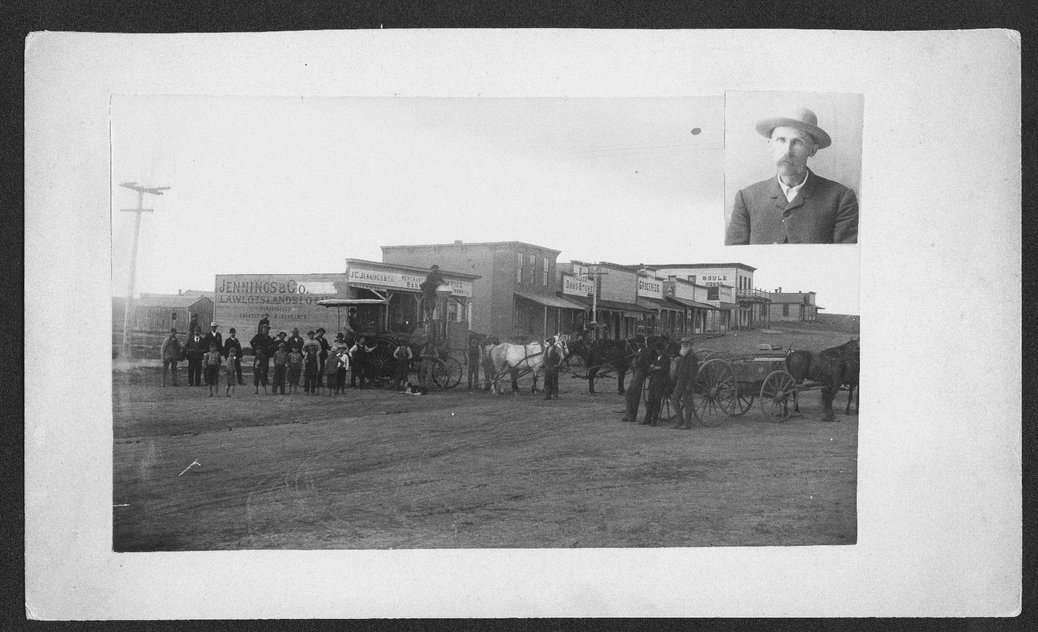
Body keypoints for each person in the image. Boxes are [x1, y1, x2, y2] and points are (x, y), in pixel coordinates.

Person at [725, 107, 858, 245]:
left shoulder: (840, 198)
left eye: (798, 142)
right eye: (781, 140)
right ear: (770, 146)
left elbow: (845, 260)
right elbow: (734, 257)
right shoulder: (747, 199)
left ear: (813, 150)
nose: (787, 151)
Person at [670, 337, 700, 430]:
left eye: (686, 343)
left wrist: (690, 385)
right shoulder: (681, 354)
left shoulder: (692, 356)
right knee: (674, 400)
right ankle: (679, 421)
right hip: (680, 382)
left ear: (689, 345)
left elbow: (693, 373)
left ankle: (687, 424)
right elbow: (678, 368)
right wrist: (674, 377)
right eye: (683, 343)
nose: (684, 345)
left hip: (687, 383)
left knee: (688, 404)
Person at [641, 345, 671, 426]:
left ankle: (654, 419)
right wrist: (655, 368)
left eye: (660, 349)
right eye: (657, 350)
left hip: (662, 381)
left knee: (657, 400)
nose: (658, 351)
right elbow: (650, 369)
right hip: (653, 381)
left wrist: (655, 368)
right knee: (650, 400)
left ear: (663, 350)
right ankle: (647, 419)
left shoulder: (666, 359)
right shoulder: (655, 359)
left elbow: (665, 369)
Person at [622, 336, 649, 422]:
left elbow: (637, 363)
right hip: (636, 373)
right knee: (628, 393)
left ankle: (632, 416)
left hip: (640, 374)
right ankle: (629, 414)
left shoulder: (644, 351)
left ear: (641, 343)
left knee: (634, 395)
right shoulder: (640, 350)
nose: (637, 344)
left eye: (638, 343)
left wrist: (634, 362)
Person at [542, 336, 562, 401]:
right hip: (547, 367)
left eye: (551, 341)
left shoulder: (557, 348)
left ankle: (555, 395)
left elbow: (562, 357)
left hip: (554, 367)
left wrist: (558, 364)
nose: (550, 342)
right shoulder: (546, 348)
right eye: (549, 341)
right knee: (547, 382)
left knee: (554, 382)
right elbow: (543, 357)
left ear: (554, 341)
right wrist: (544, 364)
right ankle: (548, 396)